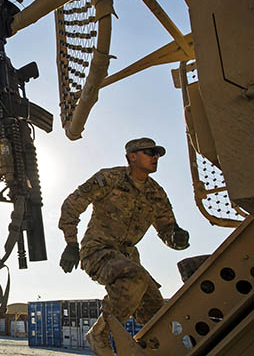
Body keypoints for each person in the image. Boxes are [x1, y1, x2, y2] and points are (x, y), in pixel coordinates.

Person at [57, 137, 190, 356]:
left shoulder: (156, 194)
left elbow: (167, 229)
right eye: (150, 152)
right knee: (133, 277)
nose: (155, 157)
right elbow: (72, 205)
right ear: (132, 156)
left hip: (127, 257)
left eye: (157, 154)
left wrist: (177, 238)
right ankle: (99, 333)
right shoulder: (109, 178)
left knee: (155, 308)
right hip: (97, 250)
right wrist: (71, 244)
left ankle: (156, 349)